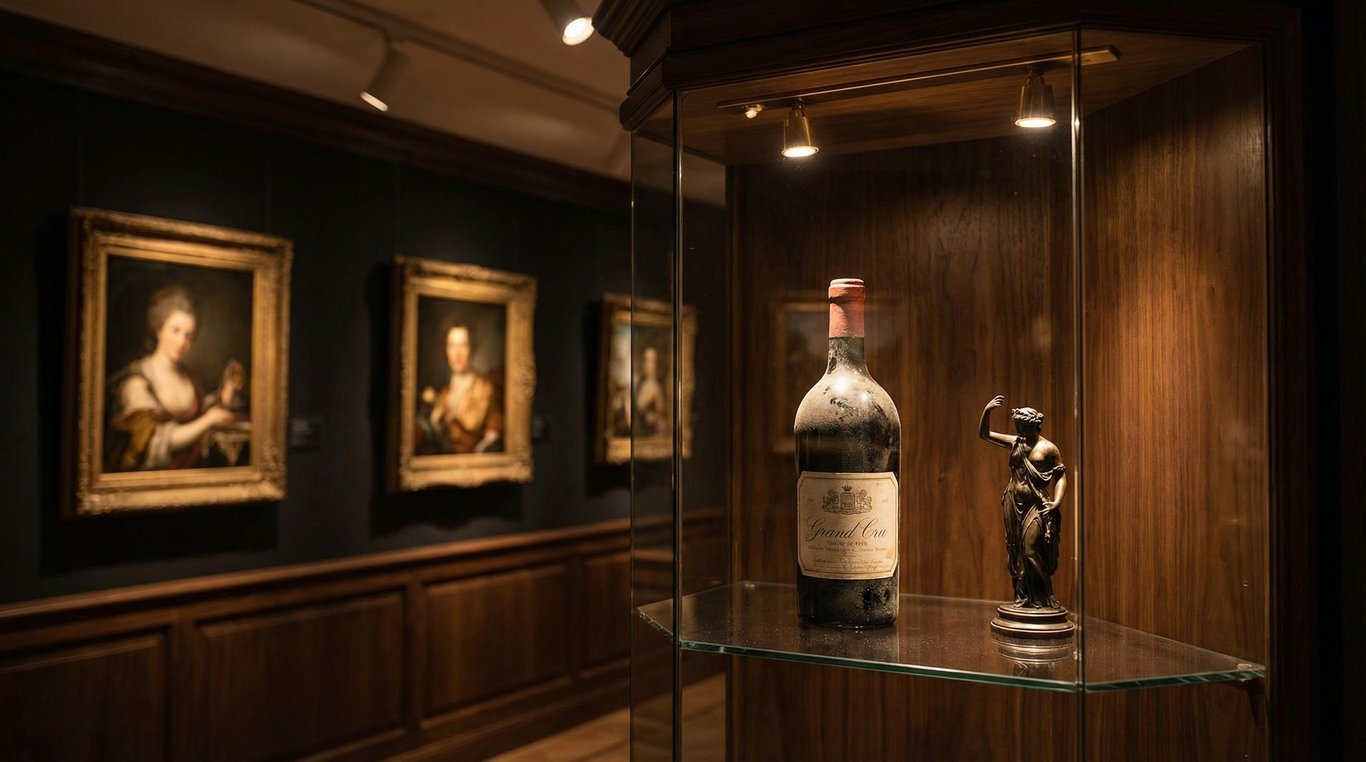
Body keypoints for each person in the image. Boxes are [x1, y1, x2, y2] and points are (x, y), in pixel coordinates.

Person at [105, 285, 245, 472]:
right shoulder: (136, 382)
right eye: (175, 331)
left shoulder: (188, 377)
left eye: (189, 335)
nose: (182, 342)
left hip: (188, 475)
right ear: (159, 329)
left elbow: (195, 413)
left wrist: (223, 394)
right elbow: (157, 442)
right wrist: (209, 420)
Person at [978, 395, 1067, 609]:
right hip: (1012, 502)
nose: (1019, 432)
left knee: (1031, 550)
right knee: (1016, 550)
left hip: (1036, 505)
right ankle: (1024, 596)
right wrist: (987, 411)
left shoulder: (1048, 449)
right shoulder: (1016, 442)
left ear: (1034, 426)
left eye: (1023, 427)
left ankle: (1045, 597)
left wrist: (1056, 502)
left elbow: (1061, 476)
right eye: (1017, 427)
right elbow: (985, 434)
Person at [417, 318, 504, 454]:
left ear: (472, 347)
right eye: (451, 346)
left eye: (463, 345)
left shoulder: (486, 388)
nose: (457, 353)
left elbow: (494, 436)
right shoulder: (444, 393)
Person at [634, 345, 663, 436]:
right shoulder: (641, 385)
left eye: (651, 361)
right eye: (646, 361)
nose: (648, 365)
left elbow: (660, 412)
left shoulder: (656, 386)